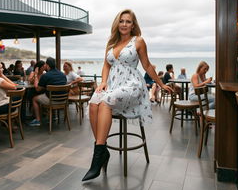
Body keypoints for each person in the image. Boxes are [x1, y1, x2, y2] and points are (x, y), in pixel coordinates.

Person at [82, 9, 172, 181]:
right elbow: (106, 66)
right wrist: (103, 82)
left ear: (133, 25)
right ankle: (103, 150)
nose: (124, 24)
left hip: (132, 84)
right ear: (117, 23)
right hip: (114, 85)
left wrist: (160, 84)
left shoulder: (138, 41)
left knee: (106, 102)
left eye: (128, 21)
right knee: (94, 103)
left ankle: (97, 157)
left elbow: (147, 65)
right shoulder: (111, 43)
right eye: (121, 21)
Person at [29, 57, 67, 126]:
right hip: (64, 100)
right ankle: (53, 117)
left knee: (34, 99)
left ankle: (38, 120)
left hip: (52, 100)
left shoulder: (46, 75)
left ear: (47, 65)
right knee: (49, 94)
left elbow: (37, 89)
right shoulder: (62, 74)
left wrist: (35, 74)